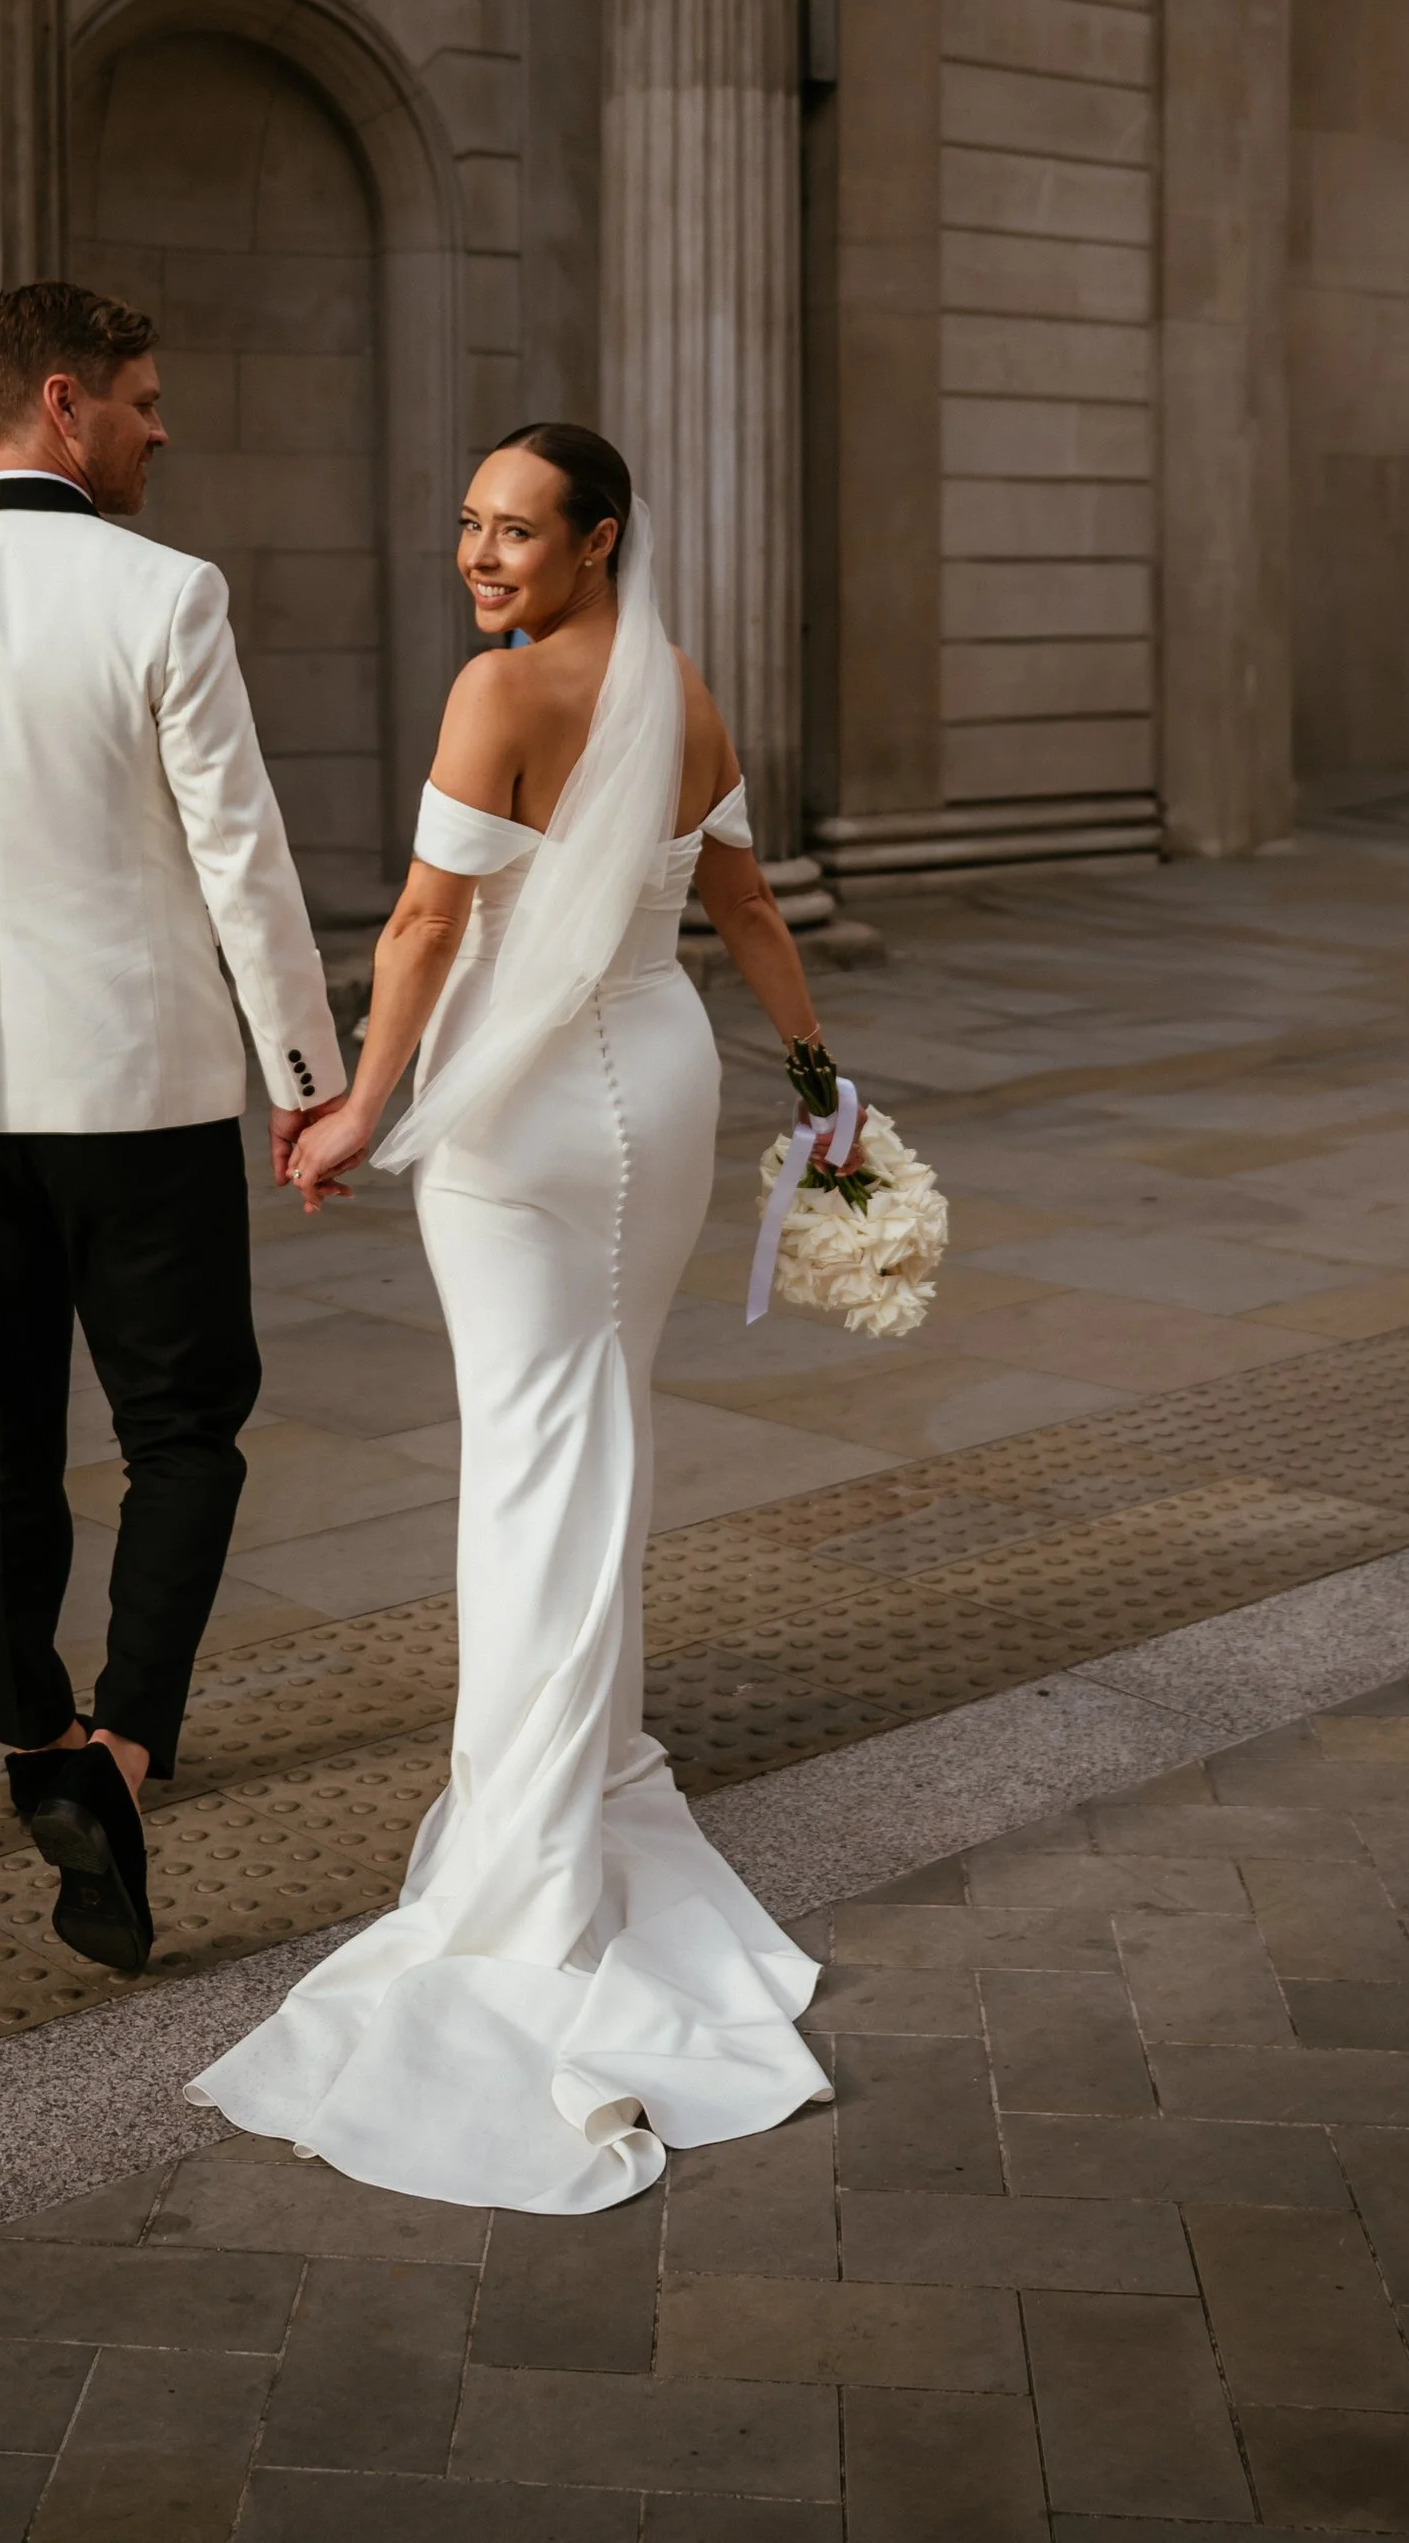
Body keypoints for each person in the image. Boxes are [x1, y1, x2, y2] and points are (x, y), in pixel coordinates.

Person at [192, 422, 844, 2211]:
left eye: (515, 530)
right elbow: (741, 898)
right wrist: (817, 1079)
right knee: (603, 1430)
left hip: (530, 1115)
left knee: (527, 1457)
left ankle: (529, 1855)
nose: (480, 558)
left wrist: (358, 1105)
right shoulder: (681, 685)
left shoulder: (499, 698)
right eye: (467, 526)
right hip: (664, 1075)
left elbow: (420, 920)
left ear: (600, 535)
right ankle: (575, 1773)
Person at [0, 282, 346, 1981]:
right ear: (62, 402)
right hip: (143, 1082)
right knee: (186, 1423)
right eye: (143, 398)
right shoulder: (164, 593)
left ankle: (34, 1739)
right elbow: (237, 851)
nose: (160, 427)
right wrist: (308, 1074)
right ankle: (118, 1749)